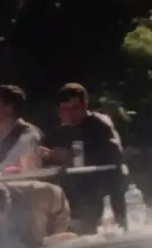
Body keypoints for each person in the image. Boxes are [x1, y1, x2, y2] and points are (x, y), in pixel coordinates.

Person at [43, 83, 126, 232]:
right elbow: (48, 157)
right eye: (65, 109)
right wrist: (45, 155)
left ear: (85, 105)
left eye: (75, 108)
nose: (70, 114)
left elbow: (114, 155)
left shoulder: (99, 125)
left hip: (100, 195)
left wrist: (72, 157)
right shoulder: (58, 133)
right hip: (70, 198)